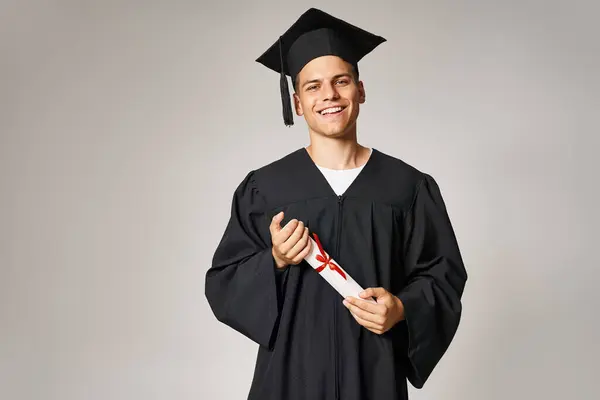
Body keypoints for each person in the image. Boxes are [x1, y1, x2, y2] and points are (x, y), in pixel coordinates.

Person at [205, 8, 467, 400]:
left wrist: (402, 308)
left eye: (341, 81)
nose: (328, 95)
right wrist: (274, 260)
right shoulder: (266, 188)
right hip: (288, 382)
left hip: (374, 380)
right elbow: (223, 282)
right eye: (313, 86)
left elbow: (442, 277)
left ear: (360, 90)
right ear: (297, 102)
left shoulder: (407, 188)